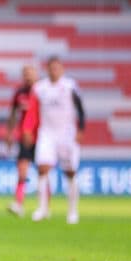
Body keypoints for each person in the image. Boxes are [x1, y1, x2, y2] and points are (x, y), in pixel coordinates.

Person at [23, 56, 85, 224]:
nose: (54, 71)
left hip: (67, 133)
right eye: (51, 68)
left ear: (62, 70)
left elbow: (80, 109)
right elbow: (33, 111)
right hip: (47, 133)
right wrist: (28, 129)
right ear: (47, 70)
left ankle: (72, 211)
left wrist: (81, 129)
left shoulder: (69, 86)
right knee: (42, 169)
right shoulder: (40, 88)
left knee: (70, 172)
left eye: (57, 68)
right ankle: (43, 209)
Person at [5, 63, 38, 217]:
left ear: (36, 74)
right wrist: (10, 133)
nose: (28, 76)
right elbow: (13, 113)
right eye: (25, 73)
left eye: (30, 73)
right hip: (24, 136)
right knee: (22, 169)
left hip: (42, 136)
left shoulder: (43, 92)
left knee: (43, 171)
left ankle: (44, 206)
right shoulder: (19, 93)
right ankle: (18, 203)